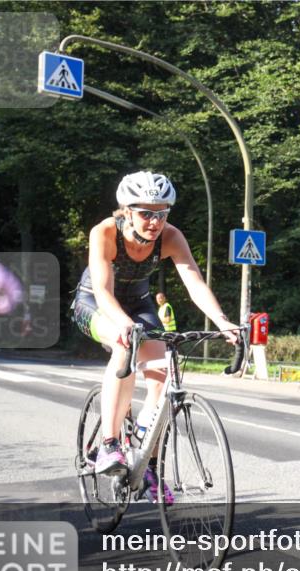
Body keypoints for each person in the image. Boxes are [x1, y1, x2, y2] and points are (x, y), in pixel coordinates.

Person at [70, 171, 239, 502]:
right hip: (95, 303)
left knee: (163, 374)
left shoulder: (171, 236)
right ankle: (109, 444)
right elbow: (104, 292)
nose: (154, 221)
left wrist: (222, 322)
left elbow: (194, 283)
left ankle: (145, 461)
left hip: (140, 304)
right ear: (127, 210)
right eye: (146, 213)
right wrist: (121, 324)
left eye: (161, 213)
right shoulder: (104, 232)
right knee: (125, 347)